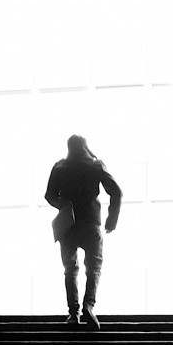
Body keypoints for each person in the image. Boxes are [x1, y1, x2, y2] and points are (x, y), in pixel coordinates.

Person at [44, 134, 122, 329]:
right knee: (93, 266)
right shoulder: (95, 165)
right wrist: (111, 219)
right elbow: (116, 191)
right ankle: (89, 305)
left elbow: (49, 196)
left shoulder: (60, 166)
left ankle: (73, 313)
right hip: (91, 224)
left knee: (70, 269)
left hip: (68, 225)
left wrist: (63, 205)